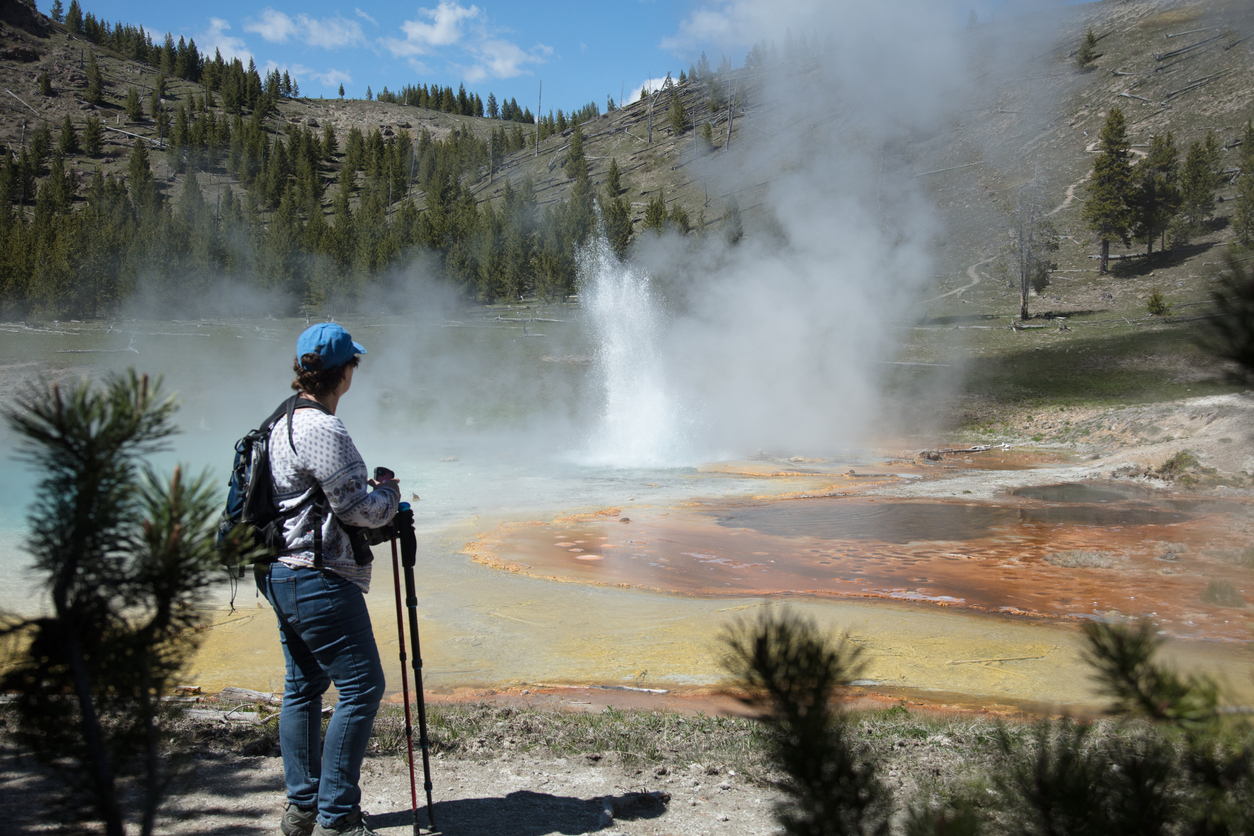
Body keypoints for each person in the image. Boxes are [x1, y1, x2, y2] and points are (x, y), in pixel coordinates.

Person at [256, 322, 400, 836]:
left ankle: (303, 810)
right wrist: (390, 495)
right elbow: (357, 508)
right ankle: (337, 818)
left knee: (304, 686)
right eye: (352, 366)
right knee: (363, 686)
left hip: (280, 572)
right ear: (345, 373)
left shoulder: (281, 421)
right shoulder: (323, 429)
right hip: (316, 578)